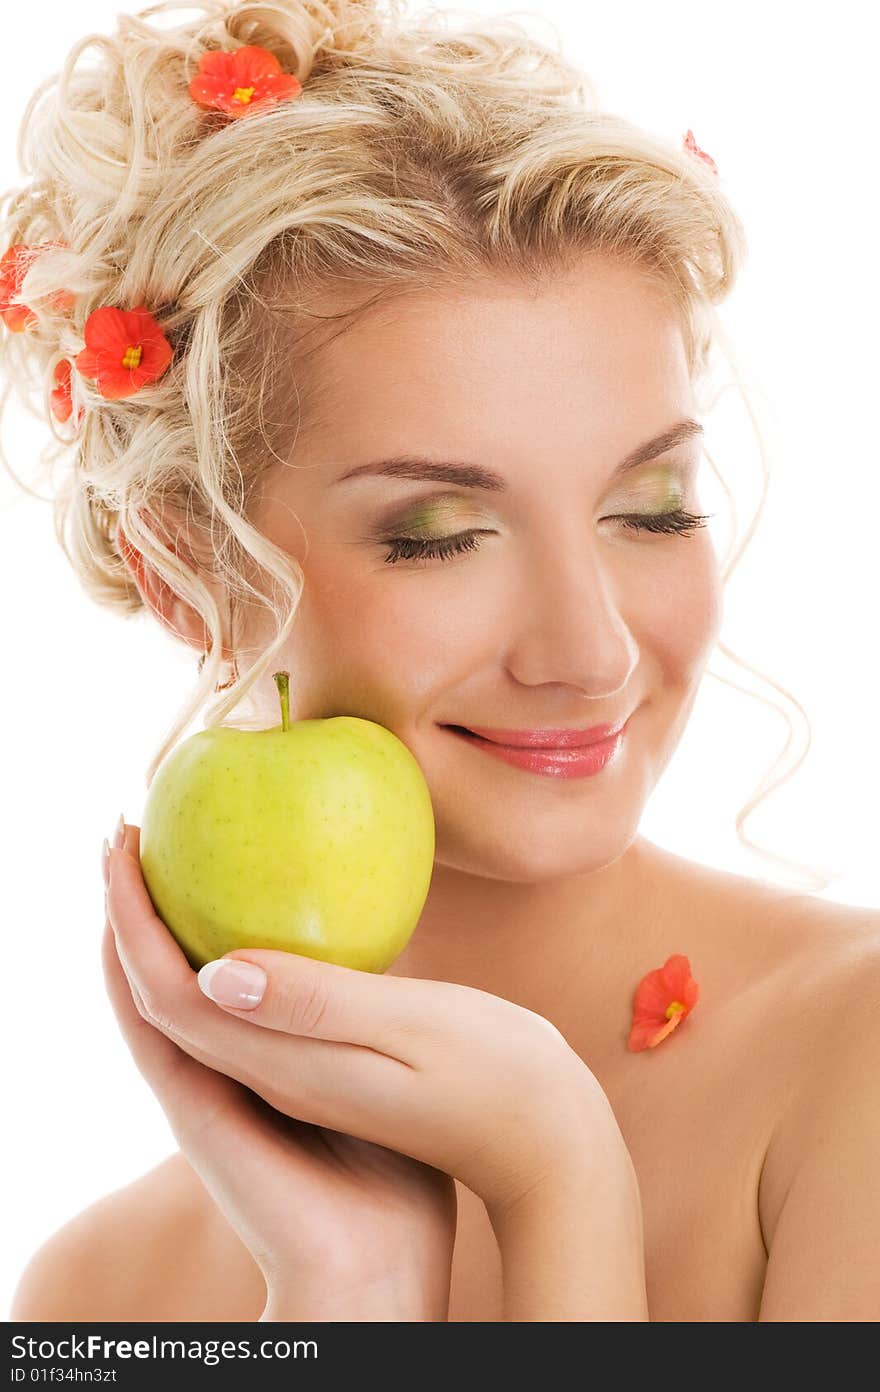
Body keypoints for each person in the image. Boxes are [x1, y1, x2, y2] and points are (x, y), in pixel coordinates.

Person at [4, 0, 879, 1323]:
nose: (590, 653)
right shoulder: (103, 1294)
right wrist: (349, 1287)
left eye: (651, 509)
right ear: (190, 568)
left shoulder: (855, 1063)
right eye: (438, 535)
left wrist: (560, 1179)